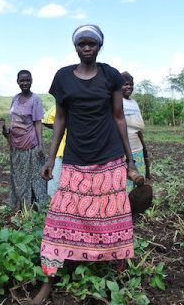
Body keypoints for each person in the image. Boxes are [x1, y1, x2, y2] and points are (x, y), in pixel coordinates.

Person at [32, 24, 139, 305]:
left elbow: (118, 118)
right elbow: (60, 120)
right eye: (82, 44)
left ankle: (118, 271)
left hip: (110, 159)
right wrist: (51, 158)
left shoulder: (110, 75)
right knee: (59, 218)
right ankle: (48, 282)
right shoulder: (63, 78)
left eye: (92, 43)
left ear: (100, 46)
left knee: (113, 218)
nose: (87, 48)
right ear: (76, 47)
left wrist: (131, 162)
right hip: (76, 160)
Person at [2, 70, 47, 210]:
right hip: (17, 146)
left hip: (31, 146)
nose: (25, 83)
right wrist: (7, 132)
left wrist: (40, 145)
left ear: (32, 81)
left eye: (27, 80)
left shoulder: (35, 100)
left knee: (34, 181)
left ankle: (35, 209)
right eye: (22, 80)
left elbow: (38, 123)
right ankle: (21, 209)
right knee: (19, 179)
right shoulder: (15, 99)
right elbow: (13, 121)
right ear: (18, 82)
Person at [121, 72, 151, 193]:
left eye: (131, 84)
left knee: (139, 183)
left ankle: (135, 211)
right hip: (122, 153)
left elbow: (139, 130)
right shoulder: (116, 102)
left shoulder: (134, 103)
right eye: (125, 84)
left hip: (137, 149)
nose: (129, 87)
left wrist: (144, 152)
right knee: (125, 185)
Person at [41, 105, 67, 198]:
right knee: (55, 189)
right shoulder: (69, 98)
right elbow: (47, 118)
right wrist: (63, 127)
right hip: (64, 153)